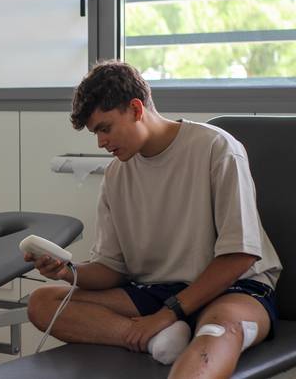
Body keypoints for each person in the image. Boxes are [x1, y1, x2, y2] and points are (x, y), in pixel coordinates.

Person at [26, 60, 282, 378]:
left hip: (232, 288)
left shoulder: (216, 148)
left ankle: (166, 332)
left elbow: (240, 255)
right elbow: (111, 270)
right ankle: (156, 342)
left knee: (218, 333)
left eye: (105, 128)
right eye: (95, 133)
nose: (100, 142)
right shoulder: (117, 176)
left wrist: (168, 312)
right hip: (157, 291)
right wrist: (68, 271)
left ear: (135, 109)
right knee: (43, 302)